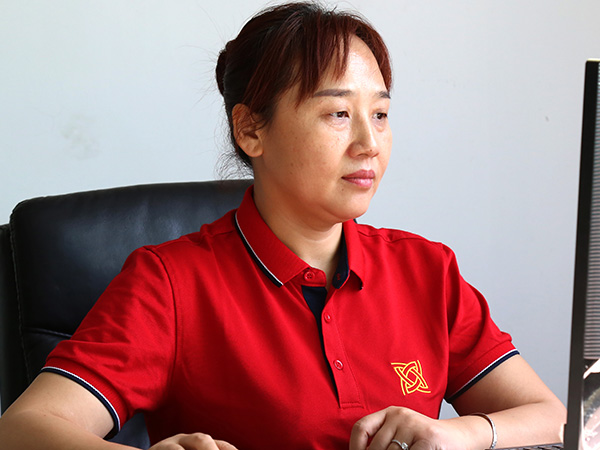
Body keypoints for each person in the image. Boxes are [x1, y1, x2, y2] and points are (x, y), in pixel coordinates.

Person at [0, 2, 566, 449]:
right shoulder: (170, 283)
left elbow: (552, 417)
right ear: (251, 130)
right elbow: (24, 428)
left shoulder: (426, 270)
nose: (369, 143)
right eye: (338, 114)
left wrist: (459, 434)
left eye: (381, 114)